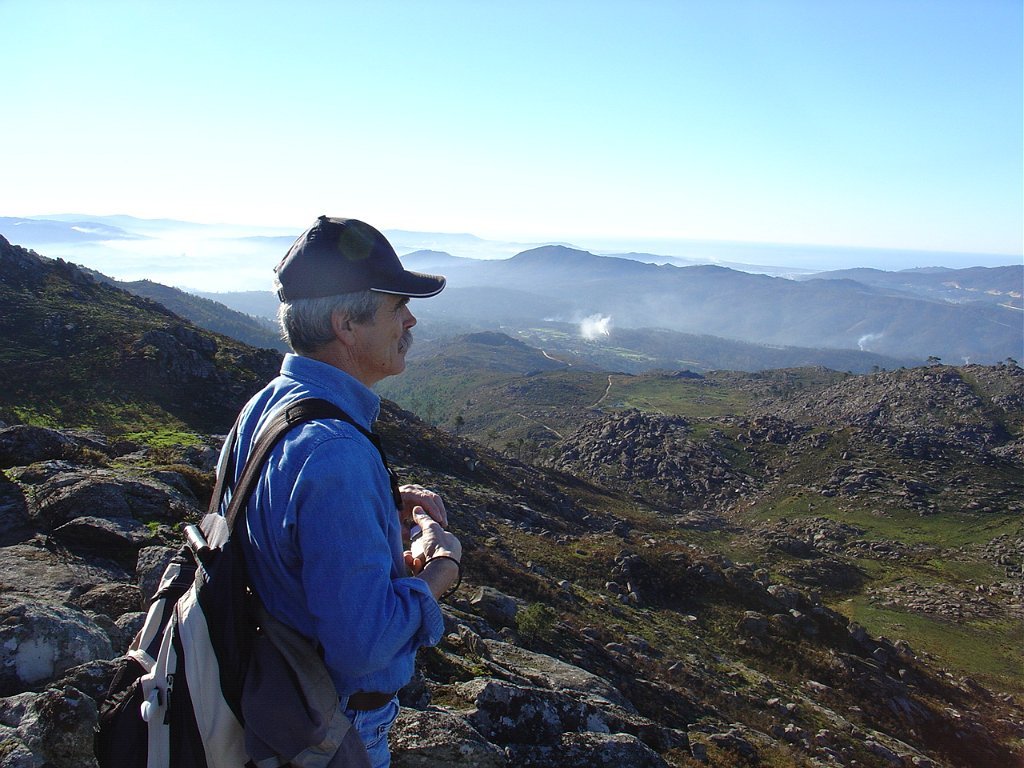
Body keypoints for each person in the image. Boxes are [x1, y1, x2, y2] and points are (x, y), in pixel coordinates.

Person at [219, 215, 463, 768]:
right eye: (397, 306)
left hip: (272, 693)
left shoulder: (269, 404)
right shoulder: (336, 453)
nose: (410, 318)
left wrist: (380, 507)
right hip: (335, 725)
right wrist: (440, 572)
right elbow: (364, 646)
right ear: (346, 325)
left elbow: (280, 527)